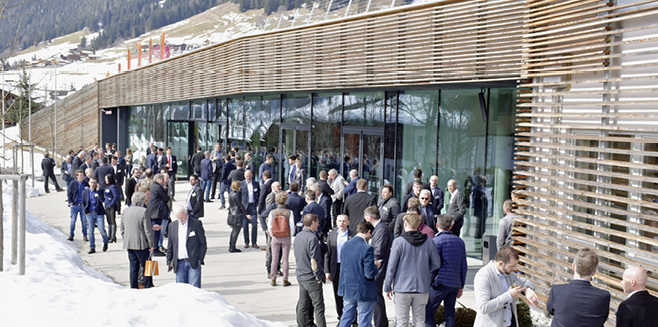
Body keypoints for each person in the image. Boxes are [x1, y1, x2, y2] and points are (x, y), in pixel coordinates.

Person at [385, 214, 440, 327]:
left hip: (402, 287)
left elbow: (391, 267)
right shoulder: (429, 242)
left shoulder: (399, 242)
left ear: (405, 224)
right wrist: (425, 269)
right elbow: (436, 264)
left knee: (402, 322)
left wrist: (387, 286)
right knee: (420, 321)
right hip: (422, 286)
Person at [473, 246, 538, 327]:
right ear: (501, 263)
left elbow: (526, 282)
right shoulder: (483, 276)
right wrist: (509, 295)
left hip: (510, 323)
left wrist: (528, 289)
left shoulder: (508, 273)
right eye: (512, 266)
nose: (515, 269)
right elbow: (484, 307)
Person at [547, 247, 610, 327]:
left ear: (573, 267)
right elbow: (602, 318)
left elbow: (551, 310)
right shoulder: (603, 296)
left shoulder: (557, 291)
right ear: (594, 272)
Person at [425, 214, 468, 327]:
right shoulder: (460, 242)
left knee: (426, 312)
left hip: (439, 283)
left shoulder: (436, 241)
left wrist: (428, 283)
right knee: (449, 314)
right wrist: (461, 285)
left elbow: (434, 266)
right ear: (452, 225)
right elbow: (463, 265)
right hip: (454, 283)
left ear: (437, 225)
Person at [338, 221, 380, 327]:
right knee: (364, 320)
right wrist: (376, 266)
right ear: (369, 232)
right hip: (364, 290)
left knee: (346, 317)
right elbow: (369, 273)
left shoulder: (346, 245)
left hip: (348, 288)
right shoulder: (367, 248)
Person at [294, 214, 327, 327]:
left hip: (301, 275)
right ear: (313, 222)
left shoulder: (298, 236)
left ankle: (301, 325)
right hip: (311, 277)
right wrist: (318, 276)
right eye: (317, 222)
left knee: (302, 304)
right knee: (319, 307)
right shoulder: (313, 238)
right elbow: (315, 260)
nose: (318, 224)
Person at [166, 205, 207, 288]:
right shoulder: (172, 226)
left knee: (194, 288)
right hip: (179, 262)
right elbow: (170, 245)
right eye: (178, 218)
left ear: (186, 213)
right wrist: (169, 261)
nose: (181, 220)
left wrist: (200, 258)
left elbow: (203, 243)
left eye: (182, 217)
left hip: (193, 262)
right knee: (181, 289)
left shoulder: (196, 224)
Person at [120, 192, 154, 289]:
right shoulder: (144, 211)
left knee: (133, 267)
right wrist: (151, 244)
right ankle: (148, 286)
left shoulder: (125, 211)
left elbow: (122, 228)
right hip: (141, 243)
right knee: (147, 266)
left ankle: (133, 287)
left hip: (129, 243)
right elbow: (147, 230)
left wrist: (125, 238)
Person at [364, 206, 392, 327]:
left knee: (376, 298)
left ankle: (380, 323)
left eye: (365, 217)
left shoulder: (381, 229)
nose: (364, 219)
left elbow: (379, 251)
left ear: (369, 217)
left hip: (378, 268)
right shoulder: (378, 228)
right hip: (377, 267)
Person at [325, 214, 354, 322]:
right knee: (338, 293)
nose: (341, 223)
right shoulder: (332, 235)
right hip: (336, 267)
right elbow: (327, 254)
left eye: (344, 221)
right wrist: (327, 271)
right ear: (336, 222)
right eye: (339, 221)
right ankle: (341, 317)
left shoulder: (353, 235)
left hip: (349, 268)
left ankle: (352, 318)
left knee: (350, 293)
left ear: (348, 222)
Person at [267, 192, 294, 286]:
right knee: (285, 258)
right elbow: (292, 226)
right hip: (286, 236)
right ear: (285, 201)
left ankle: (273, 278)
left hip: (275, 237)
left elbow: (269, 226)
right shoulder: (289, 212)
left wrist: (272, 235)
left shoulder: (272, 212)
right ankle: (285, 279)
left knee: (274, 258)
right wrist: (290, 235)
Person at [83, 178, 109, 254]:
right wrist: (85, 211)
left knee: (102, 230)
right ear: (89, 183)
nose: (93, 184)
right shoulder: (85, 192)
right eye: (92, 182)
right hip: (90, 213)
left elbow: (102, 200)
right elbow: (84, 202)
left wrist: (98, 190)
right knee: (90, 231)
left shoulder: (99, 191)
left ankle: (105, 241)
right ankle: (92, 247)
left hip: (99, 213)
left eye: (94, 183)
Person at [148, 173, 169, 256]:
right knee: (156, 231)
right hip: (156, 212)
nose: (164, 181)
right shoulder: (158, 187)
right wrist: (165, 189)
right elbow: (166, 198)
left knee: (155, 230)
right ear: (157, 180)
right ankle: (155, 249)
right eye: (162, 180)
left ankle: (155, 247)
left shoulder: (154, 186)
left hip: (154, 211)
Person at [67, 169, 89, 242]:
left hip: (83, 206)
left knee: (84, 221)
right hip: (75, 205)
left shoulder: (86, 183)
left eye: (83, 175)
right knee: (73, 221)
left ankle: (85, 235)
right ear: (77, 176)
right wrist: (71, 203)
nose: (82, 176)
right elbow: (69, 194)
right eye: (80, 175)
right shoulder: (73, 183)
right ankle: (71, 235)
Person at [241, 169, 260, 248]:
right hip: (245, 207)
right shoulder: (241, 184)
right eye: (247, 176)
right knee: (245, 225)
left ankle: (254, 242)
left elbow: (259, 194)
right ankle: (246, 242)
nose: (248, 178)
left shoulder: (256, 184)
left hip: (253, 206)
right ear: (244, 176)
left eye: (249, 176)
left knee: (254, 225)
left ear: (252, 176)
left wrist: (257, 204)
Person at [228, 180, 247, 253]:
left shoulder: (231, 193)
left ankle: (231, 246)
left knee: (234, 231)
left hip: (232, 213)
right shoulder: (237, 194)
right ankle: (232, 247)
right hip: (237, 214)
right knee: (236, 231)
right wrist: (245, 213)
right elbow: (240, 205)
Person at [104, 174, 120, 243]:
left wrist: (112, 204)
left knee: (112, 220)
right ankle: (109, 235)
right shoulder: (107, 187)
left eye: (106, 179)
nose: (105, 180)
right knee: (109, 221)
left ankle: (113, 236)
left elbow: (116, 196)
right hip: (106, 205)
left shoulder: (113, 187)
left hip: (111, 206)